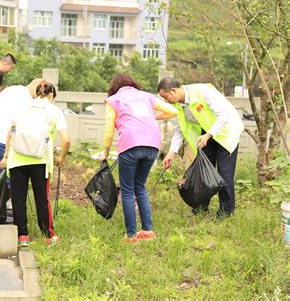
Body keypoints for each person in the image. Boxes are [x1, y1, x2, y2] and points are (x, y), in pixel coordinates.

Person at [99, 73, 177, 244]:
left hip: (131, 144)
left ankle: (132, 236)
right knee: (140, 187)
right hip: (152, 145)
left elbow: (108, 130)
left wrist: (105, 152)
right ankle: (148, 232)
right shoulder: (146, 96)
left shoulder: (115, 99)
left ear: (115, 87)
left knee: (127, 190)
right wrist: (151, 117)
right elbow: (173, 111)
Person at [158, 77, 244, 219]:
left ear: (173, 91)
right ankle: (200, 208)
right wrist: (171, 154)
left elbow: (223, 115)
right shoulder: (178, 106)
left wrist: (208, 135)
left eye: (166, 97)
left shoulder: (203, 91)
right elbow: (180, 130)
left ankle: (226, 212)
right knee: (202, 170)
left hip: (226, 131)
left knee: (224, 173)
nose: (166, 101)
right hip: (207, 133)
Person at [0, 81, 70, 247]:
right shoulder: (54, 111)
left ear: (38, 92)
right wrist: (61, 158)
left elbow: (10, 134)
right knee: (42, 199)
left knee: (18, 199)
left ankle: (22, 237)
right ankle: (47, 236)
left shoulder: (23, 108)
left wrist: (6, 156)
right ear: (51, 93)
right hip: (40, 161)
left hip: (17, 159)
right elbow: (66, 140)